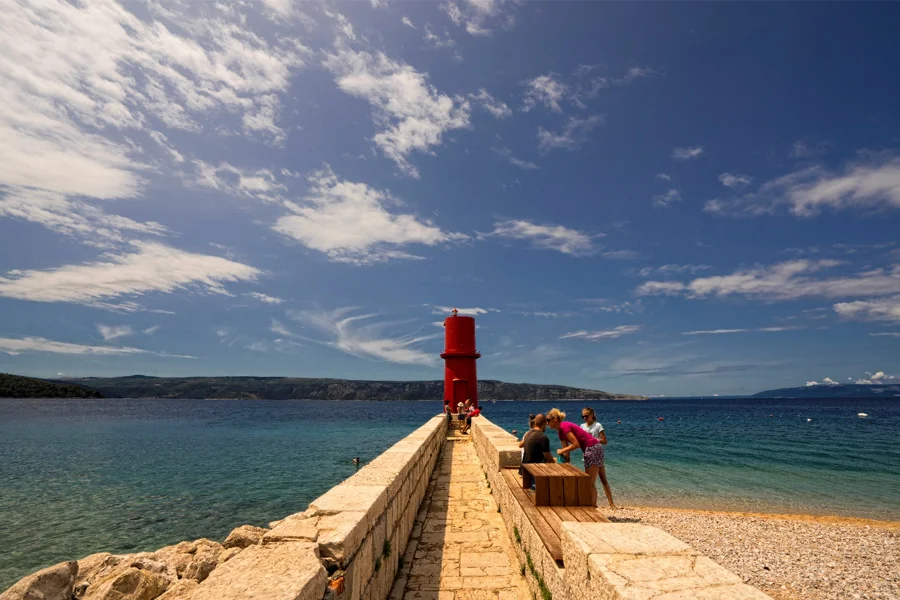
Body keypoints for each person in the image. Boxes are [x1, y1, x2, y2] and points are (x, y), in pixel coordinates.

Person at [547, 408, 617, 509]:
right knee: (591, 482)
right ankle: (594, 507)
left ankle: (592, 509)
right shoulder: (560, 432)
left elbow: (576, 444)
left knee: (589, 483)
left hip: (592, 448)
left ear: (555, 419)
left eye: (548, 420)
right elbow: (566, 451)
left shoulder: (564, 426)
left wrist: (561, 451)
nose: (547, 423)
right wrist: (565, 463)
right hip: (593, 448)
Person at [519, 413, 555, 489]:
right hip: (535, 473)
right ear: (544, 424)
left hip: (526, 471)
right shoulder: (543, 438)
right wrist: (555, 462)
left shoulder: (527, 434)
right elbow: (549, 458)